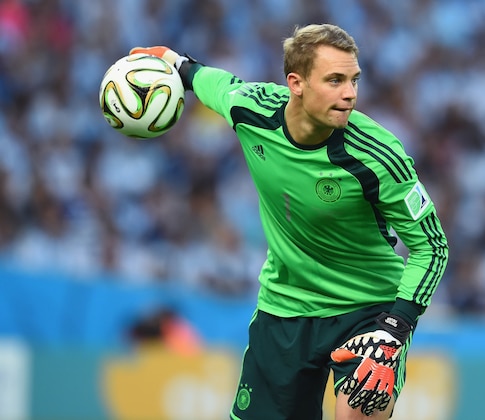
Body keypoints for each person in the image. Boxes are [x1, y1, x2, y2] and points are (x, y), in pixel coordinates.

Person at [130, 23, 448, 420]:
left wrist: (395, 327)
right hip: (285, 307)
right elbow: (202, 78)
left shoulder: (379, 155)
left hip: (368, 312)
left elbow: (432, 247)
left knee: (358, 412)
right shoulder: (252, 110)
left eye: (353, 80)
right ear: (296, 83)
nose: (349, 94)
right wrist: (169, 61)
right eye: (334, 80)